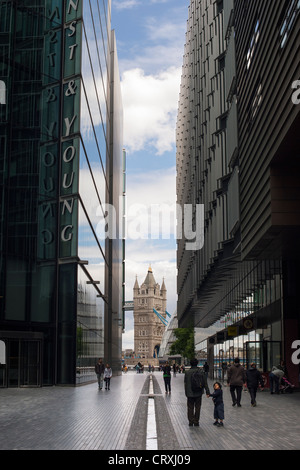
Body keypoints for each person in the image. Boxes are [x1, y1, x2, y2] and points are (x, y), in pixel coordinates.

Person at [184, 358, 210, 426]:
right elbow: (205, 383)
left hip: (190, 393)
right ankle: (196, 421)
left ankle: (190, 421)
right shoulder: (201, 372)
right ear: (197, 363)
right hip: (198, 392)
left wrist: (186, 393)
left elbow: (185, 383)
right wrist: (207, 392)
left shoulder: (187, 372)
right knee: (198, 407)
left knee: (190, 407)